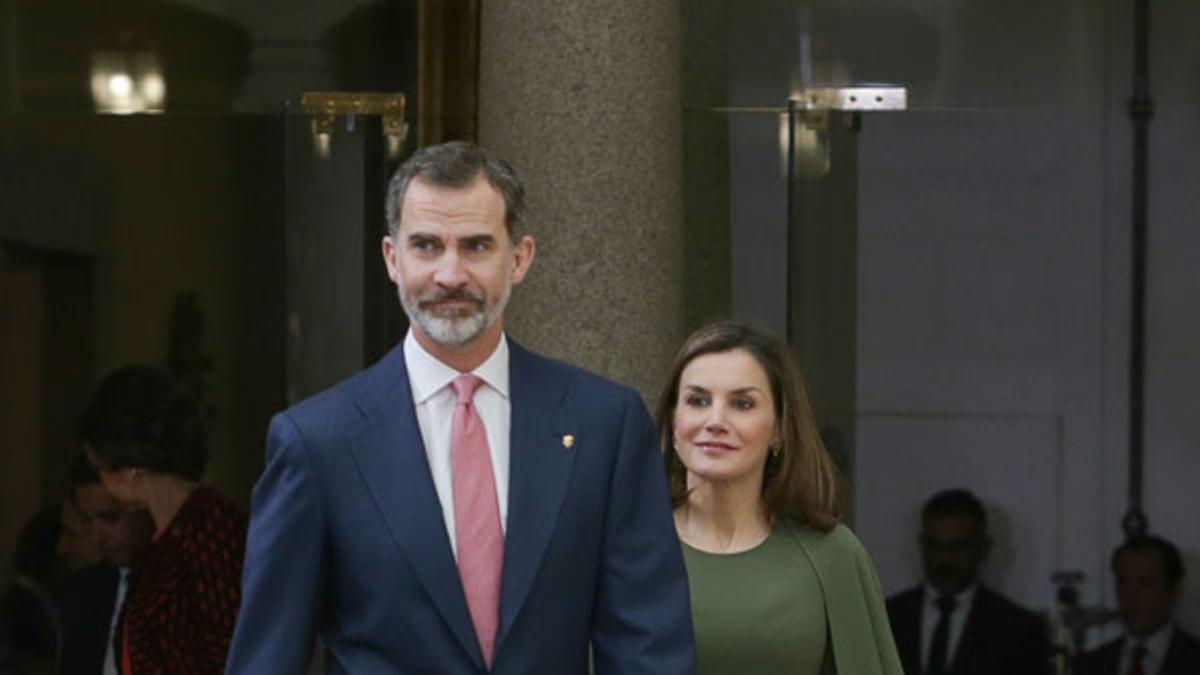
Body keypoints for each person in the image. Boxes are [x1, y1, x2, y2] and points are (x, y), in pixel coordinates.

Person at [226, 141, 695, 674]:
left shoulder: (603, 425)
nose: (450, 275)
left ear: (519, 259)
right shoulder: (317, 442)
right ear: (391, 258)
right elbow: (267, 658)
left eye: (476, 247)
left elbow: (648, 646)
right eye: (426, 246)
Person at [656, 320, 902, 674]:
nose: (715, 420)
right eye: (697, 400)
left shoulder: (832, 556)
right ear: (672, 420)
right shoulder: (626, 549)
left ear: (780, 428)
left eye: (742, 404)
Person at [80, 364, 247, 675]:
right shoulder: (163, 536)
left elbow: (227, 647)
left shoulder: (209, 524)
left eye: (99, 468)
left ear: (130, 469)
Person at [886, 489, 1048, 675]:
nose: (946, 558)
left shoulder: (1019, 631)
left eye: (959, 547)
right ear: (922, 545)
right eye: (935, 546)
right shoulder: (886, 621)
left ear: (983, 548)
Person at [58, 453, 154, 675]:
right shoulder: (85, 591)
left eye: (111, 518)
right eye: (86, 520)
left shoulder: (180, 583)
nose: (98, 536)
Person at [1075, 535, 1200, 675]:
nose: (1131, 596)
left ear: (1174, 590)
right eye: (1122, 583)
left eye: (1144, 584)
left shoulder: (1194, 661)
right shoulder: (1091, 666)